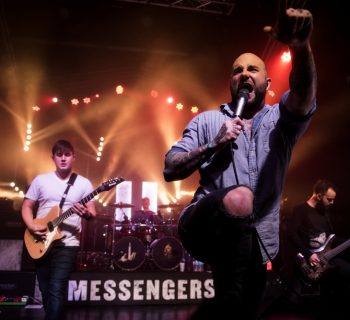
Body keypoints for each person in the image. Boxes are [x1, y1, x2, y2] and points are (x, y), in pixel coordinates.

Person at [163, 2, 317, 319]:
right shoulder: (207, 121)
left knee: (247, 308)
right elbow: (170, 167)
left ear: (268, 83)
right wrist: (212, 144)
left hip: (259, 240)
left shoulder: (281, 122)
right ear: (231, 82)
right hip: (204, 226)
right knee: (240, 196)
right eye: (237, 70)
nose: (244, 73)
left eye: (252, 69)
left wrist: (299, 47)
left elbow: (302, 94)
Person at [21, 140, 96, 320]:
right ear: (53, 157)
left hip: (67, 244)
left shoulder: (84, 184)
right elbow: (26, 206)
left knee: (56, 288)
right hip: (40, 241)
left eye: (67, 154)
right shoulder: (41, 180)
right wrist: (31, 226)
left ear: (74, 157)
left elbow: (92, 213)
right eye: (59, 154)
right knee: (45, 290)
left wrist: (85, 212)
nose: (63, 158)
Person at [290, 179, 350, 311]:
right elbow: (292, 235)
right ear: (318, 196)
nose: (332, 202)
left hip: (327, 257)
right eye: (329, 199)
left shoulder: (324, 211)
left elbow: (330, 238)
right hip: (310, 261)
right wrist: (308, 254)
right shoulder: (300, 210)